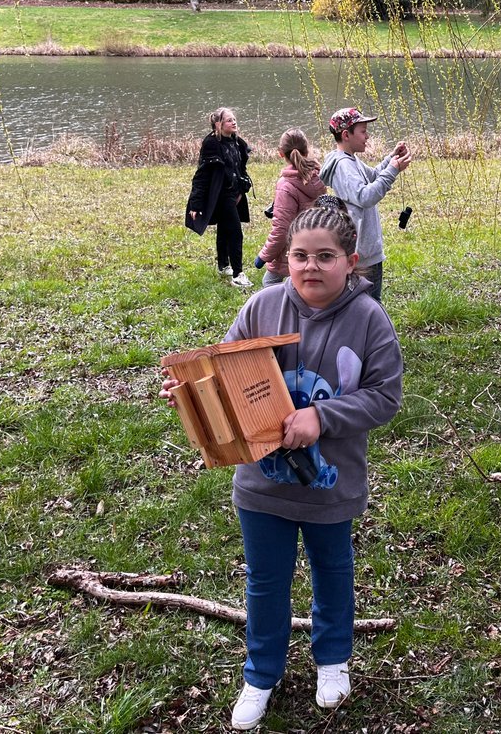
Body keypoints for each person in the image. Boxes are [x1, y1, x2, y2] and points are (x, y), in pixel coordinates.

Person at [161, 202, 403, 730]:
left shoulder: (368, 319)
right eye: (299, 256)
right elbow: (219, 374)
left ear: (351, 261)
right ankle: (260, 673)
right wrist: (189, 394)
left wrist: (323, 416)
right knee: (266, 581)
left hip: (329, 485)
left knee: (332, 571)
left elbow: (386, 396)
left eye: (325, 256)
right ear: (285, 258)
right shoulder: (260, 307)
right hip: (261, 485)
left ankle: (332, 660)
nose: (310, 266)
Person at [319, 107, 411, 302]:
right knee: (366, 306)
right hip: (361, 255)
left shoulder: (352, 160)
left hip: (368, 251)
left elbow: (374, 176)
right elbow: (365, 196)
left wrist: (391, 159)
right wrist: (393, 170)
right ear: (346, 135)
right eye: (363, 131)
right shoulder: (343, 165)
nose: (367, 136)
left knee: (368, 306)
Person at [185, 107, 253, 288]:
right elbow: (202, 175)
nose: (234, 122)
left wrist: (242, 189)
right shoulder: (211, 144)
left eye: (234, 119)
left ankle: (224, 265)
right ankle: (238, 275)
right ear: (218, 124)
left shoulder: (237, 142)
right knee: (235, 233)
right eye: (229, 120)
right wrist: (195, 204)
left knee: (225, 229)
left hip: (234, 194)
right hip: (220, 195)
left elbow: (240, 169)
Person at [256, 128, 327, 287]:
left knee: (269, 283)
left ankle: (283, 311)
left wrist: (264, 256)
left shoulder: (286, 185)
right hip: (315, 244)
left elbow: (282, 228)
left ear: (281, 153)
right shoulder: (317, 177)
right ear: (307, 149)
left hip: (293, 250)